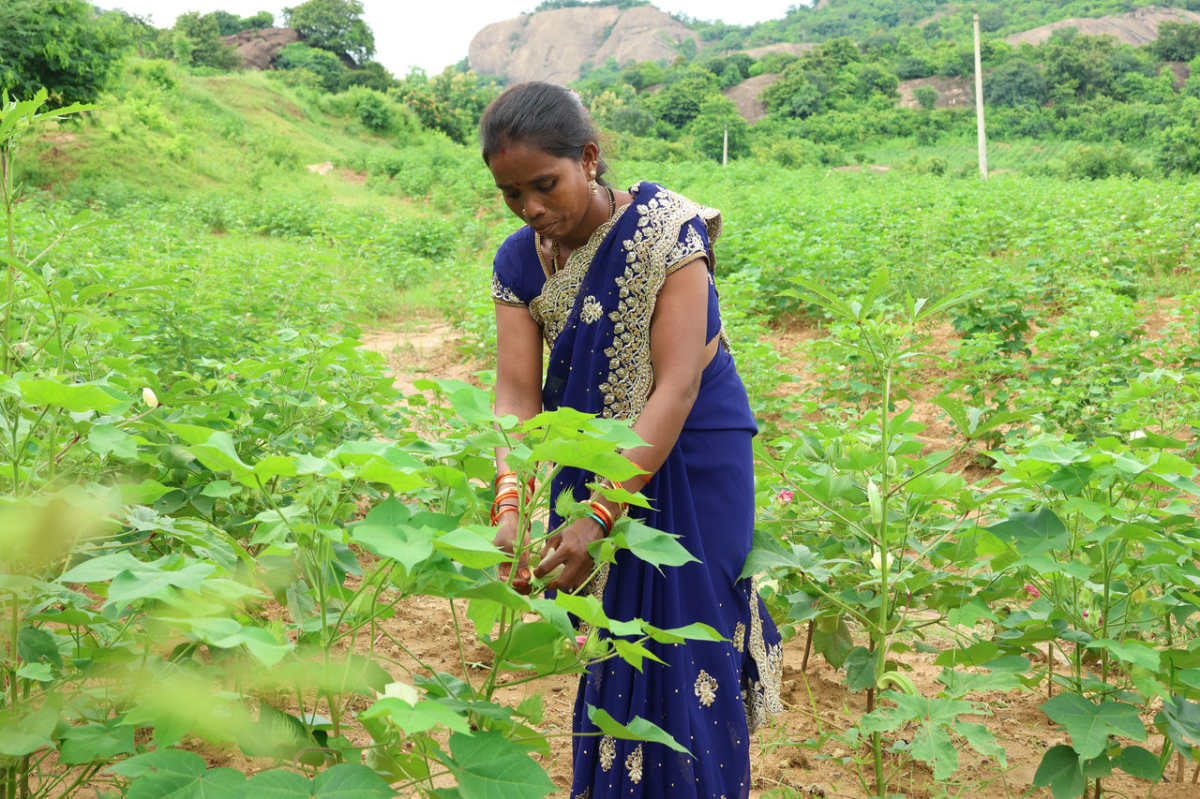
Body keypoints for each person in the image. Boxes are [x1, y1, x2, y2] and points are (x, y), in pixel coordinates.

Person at [481, 81, 782, 799]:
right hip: (597, 454)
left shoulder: (665, 231)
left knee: (689, 632)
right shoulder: (519, 262)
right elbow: (518, 395)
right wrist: (510, 503)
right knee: (617, 639)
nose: (532, 208)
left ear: (588, 159)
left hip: (697, 452)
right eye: (512, 194)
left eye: (544, 184)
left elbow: (675, 385)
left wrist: (597, 516)